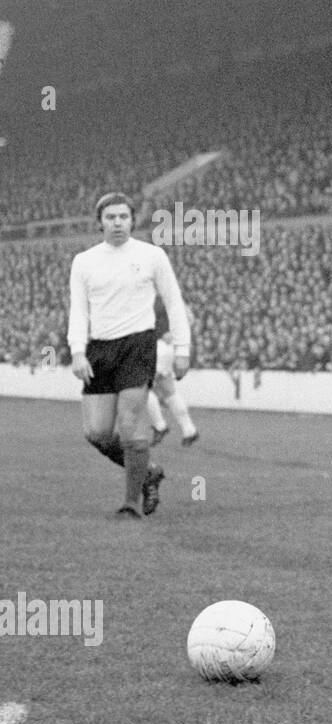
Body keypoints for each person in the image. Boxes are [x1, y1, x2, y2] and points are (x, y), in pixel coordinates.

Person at [69, 192, 190, 518]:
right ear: (100, 223)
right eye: (111, 217)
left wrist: (182, 349)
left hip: (138, 346)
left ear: (132, 220)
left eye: (123, 216)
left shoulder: (152, 256)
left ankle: (131, 503)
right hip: (100, 349)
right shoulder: (84, 261)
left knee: (131, 424)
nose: (118, 223)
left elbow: (174, 302)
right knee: (96, 432)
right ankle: (148, 471)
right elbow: (78, 311)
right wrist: (78, 352)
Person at [147, 294, 200, 446]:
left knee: (142, 386)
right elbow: (191, 318)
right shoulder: (174, 296)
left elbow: (148, 321)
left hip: (160, 346)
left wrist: (164, 332)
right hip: (171, 347)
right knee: (168, 390)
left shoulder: (156, 298)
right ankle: (189, 430)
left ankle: (160, 426)